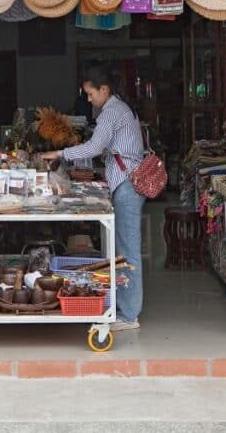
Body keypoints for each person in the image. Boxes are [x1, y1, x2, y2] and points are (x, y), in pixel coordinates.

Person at [39, 67, 146, 331]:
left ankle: (129, 314)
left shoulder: (111, 112)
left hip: (127, 186)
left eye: (90, 93)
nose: (88, 99)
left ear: (104, 90)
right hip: (125, 183)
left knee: (127, 250)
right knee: (122, 248)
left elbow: (95, 147)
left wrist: (60, 153)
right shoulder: (118, 109)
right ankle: (121, 305)